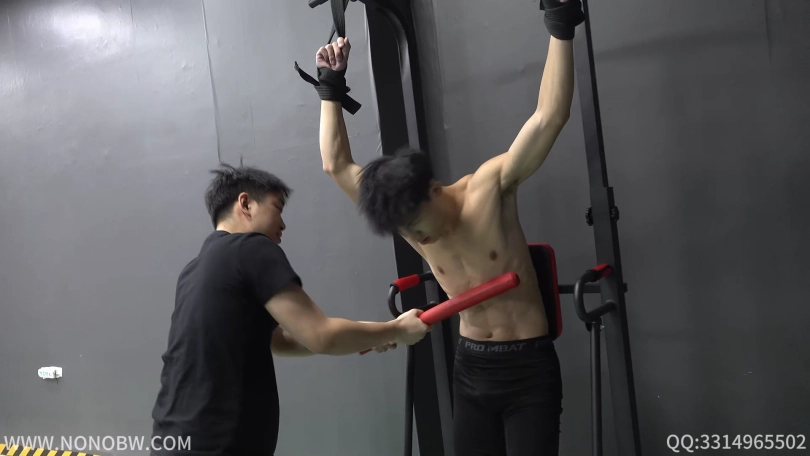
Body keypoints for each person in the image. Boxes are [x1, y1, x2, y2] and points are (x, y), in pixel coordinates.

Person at [306, 0, 585, 454]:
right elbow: (335, 164)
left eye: (418, 228)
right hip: (470, 365)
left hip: (528, 368)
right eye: (409, 233)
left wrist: (560, 20)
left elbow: (549, 117)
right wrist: (330, 85)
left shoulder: (490, 189)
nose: (418, 240)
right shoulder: (401, 212)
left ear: (434, 191)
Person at [149, 163, 430, 456]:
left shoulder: (194, 270)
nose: (282, 224)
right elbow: (321, 335)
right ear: (245, 204)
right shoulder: (250, 248)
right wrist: (397, 330)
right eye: (277, 208)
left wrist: (371, 335)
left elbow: (280, 340)